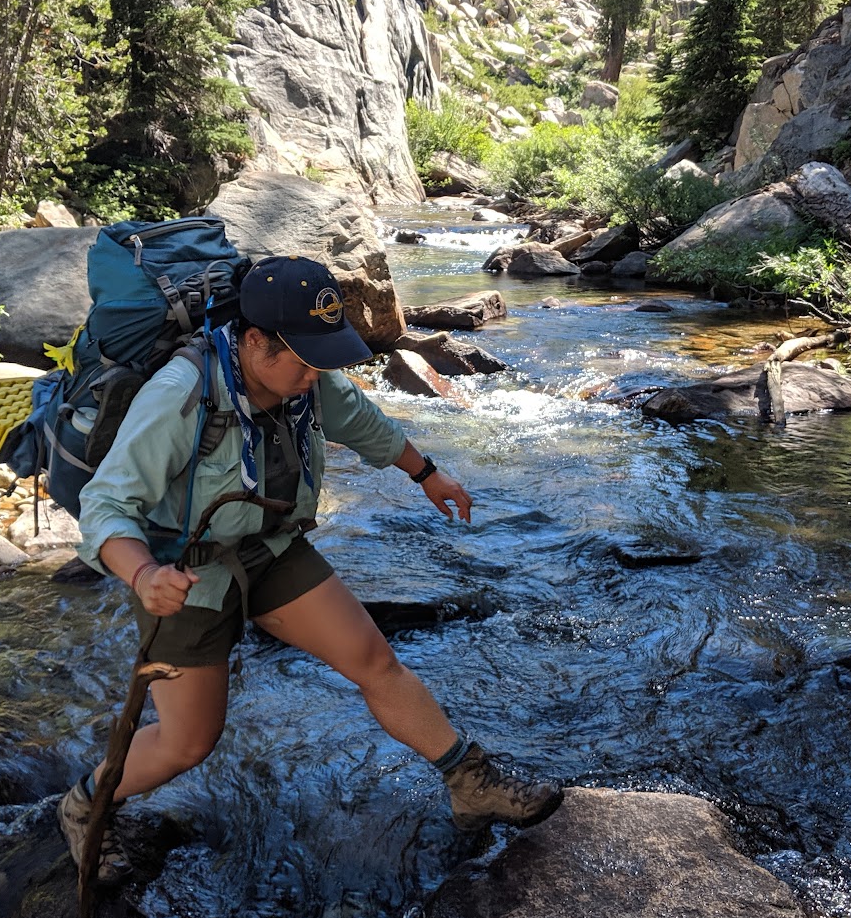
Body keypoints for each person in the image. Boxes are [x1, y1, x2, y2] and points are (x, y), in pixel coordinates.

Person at [57, 254, 563, 882]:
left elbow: (366, 425)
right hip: (183, 571)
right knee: (189, 742)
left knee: (375, 660)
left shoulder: (310, 378)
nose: (312, 373)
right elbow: (106, 505)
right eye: (298, 358)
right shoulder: (180, 394)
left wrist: (430, 475)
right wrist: (141, 576)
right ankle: (83, 804)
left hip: (271, 548)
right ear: (252, 341)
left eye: (321, 357)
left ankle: (469, 780)